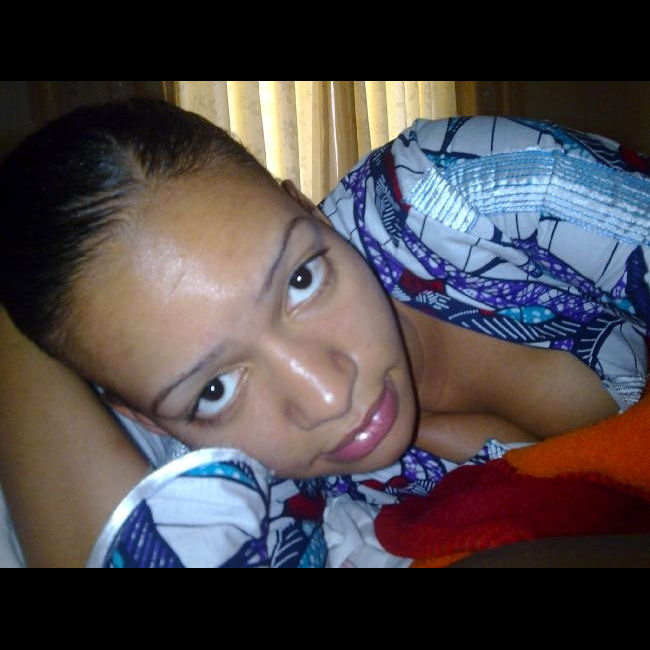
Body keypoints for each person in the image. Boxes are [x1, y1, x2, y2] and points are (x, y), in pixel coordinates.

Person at [0, 100, 648, 567]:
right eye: (216, 390)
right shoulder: (268, 487)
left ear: (307, 208)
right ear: (150, 420)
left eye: (301, 280)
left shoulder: (454, 192)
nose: (330, 396)